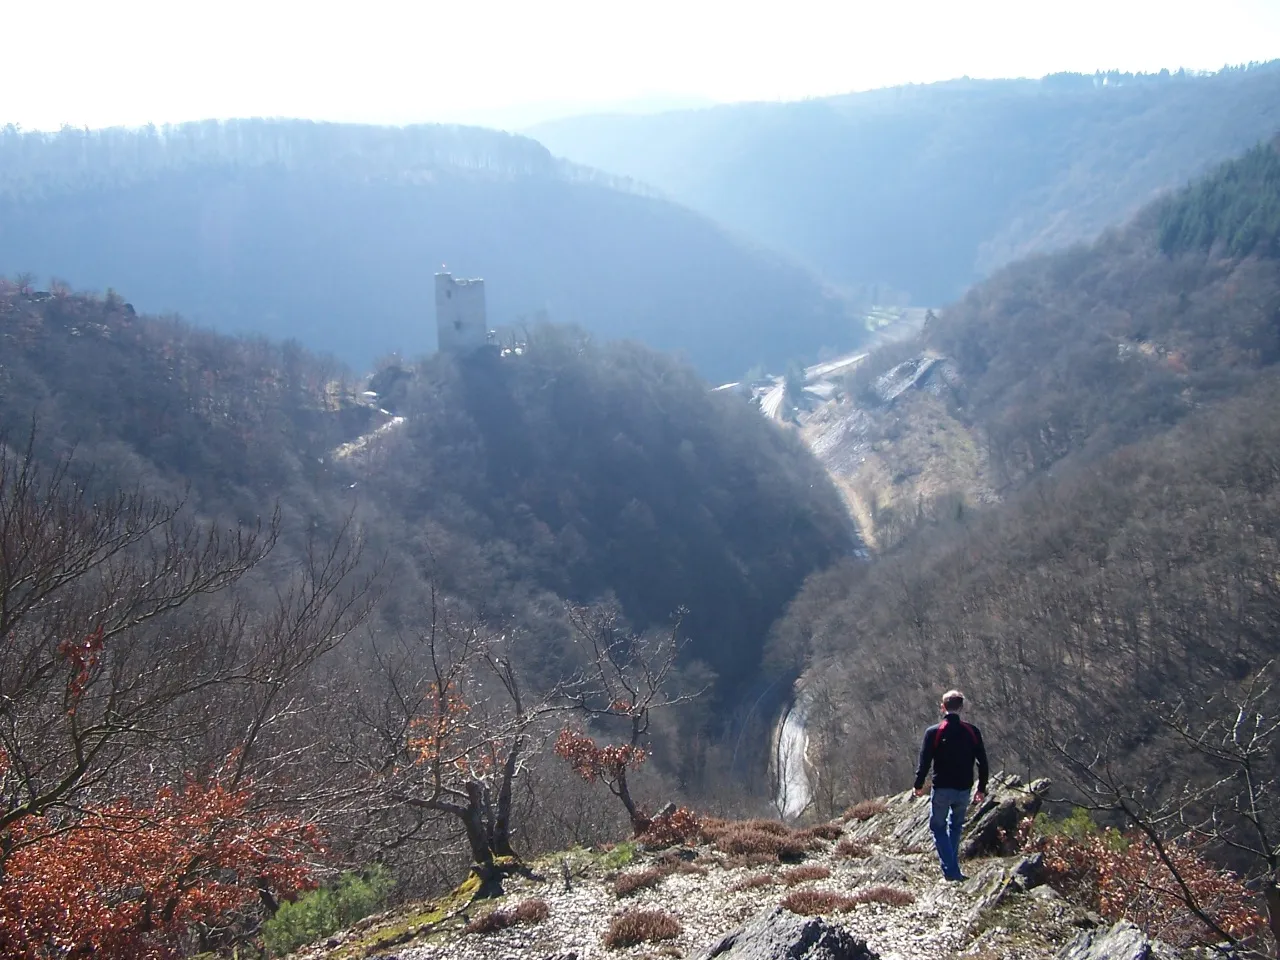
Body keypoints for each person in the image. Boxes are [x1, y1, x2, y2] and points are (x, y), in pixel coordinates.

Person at [912, 690, 989, 881]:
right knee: (955, 826)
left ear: (942, 707)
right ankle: (952, 867)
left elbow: (925, 761)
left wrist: (918, 784)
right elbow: (982, 762)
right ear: (961, 707)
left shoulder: (934, 732)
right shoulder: (972, 731)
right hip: (964, 787)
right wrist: (982, 788)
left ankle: (951, 870)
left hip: (942, 787)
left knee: (938, 827)